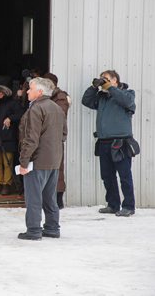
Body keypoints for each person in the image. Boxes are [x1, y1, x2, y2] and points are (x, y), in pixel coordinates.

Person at [18, 77, 67, 240]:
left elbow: (31, 138)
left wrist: (24, 161)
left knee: (34, 197)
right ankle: (52, 228)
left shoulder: (36, 109)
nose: (27, 91)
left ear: (39, 92)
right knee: (49, 196)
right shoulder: (57, 108)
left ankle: (33, 230)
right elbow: (64, 134)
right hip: (54, 159)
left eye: (30, 89)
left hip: (37, 161)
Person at [81, 70, 136, 217]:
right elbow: (86, 101)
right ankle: (113, 205)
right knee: (107, 176)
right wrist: (93, 87)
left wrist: (111, 88)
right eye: (101, 79)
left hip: (120, 142)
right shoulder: (101, 97)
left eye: (105, 79)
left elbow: (128, 102)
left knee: (125, 175)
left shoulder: (128, 93)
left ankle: (129, 206)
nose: (102, 81)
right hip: (103, 142)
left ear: (115, 81)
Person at [0, 84, 24, 195]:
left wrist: (10, 118)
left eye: (1, 93)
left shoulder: (12, 103)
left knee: (7, 163)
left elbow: (20, 113)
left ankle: (6, 185)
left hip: (7, 138)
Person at [42, 73, 71, 209]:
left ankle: (58, 199)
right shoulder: (47, 97)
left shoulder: (60, 97)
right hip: (46, 138)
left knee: (57, 168)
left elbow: (57, 115)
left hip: (55, 137)